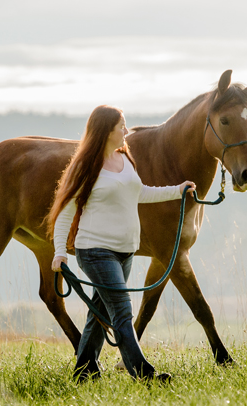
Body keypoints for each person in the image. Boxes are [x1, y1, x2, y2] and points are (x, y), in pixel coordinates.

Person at [46, 105, 195, 382]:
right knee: (122, 312)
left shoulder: (125, 158)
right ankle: (144, 374)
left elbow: (140, 194)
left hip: (125, 250)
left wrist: (178, 190)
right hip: (95, 250)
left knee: (99, 313)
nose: (126, 131)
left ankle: (84, 371)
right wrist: (59, 253)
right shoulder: (85, 166)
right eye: (121, 126)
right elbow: (65, 211)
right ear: (106, 131)